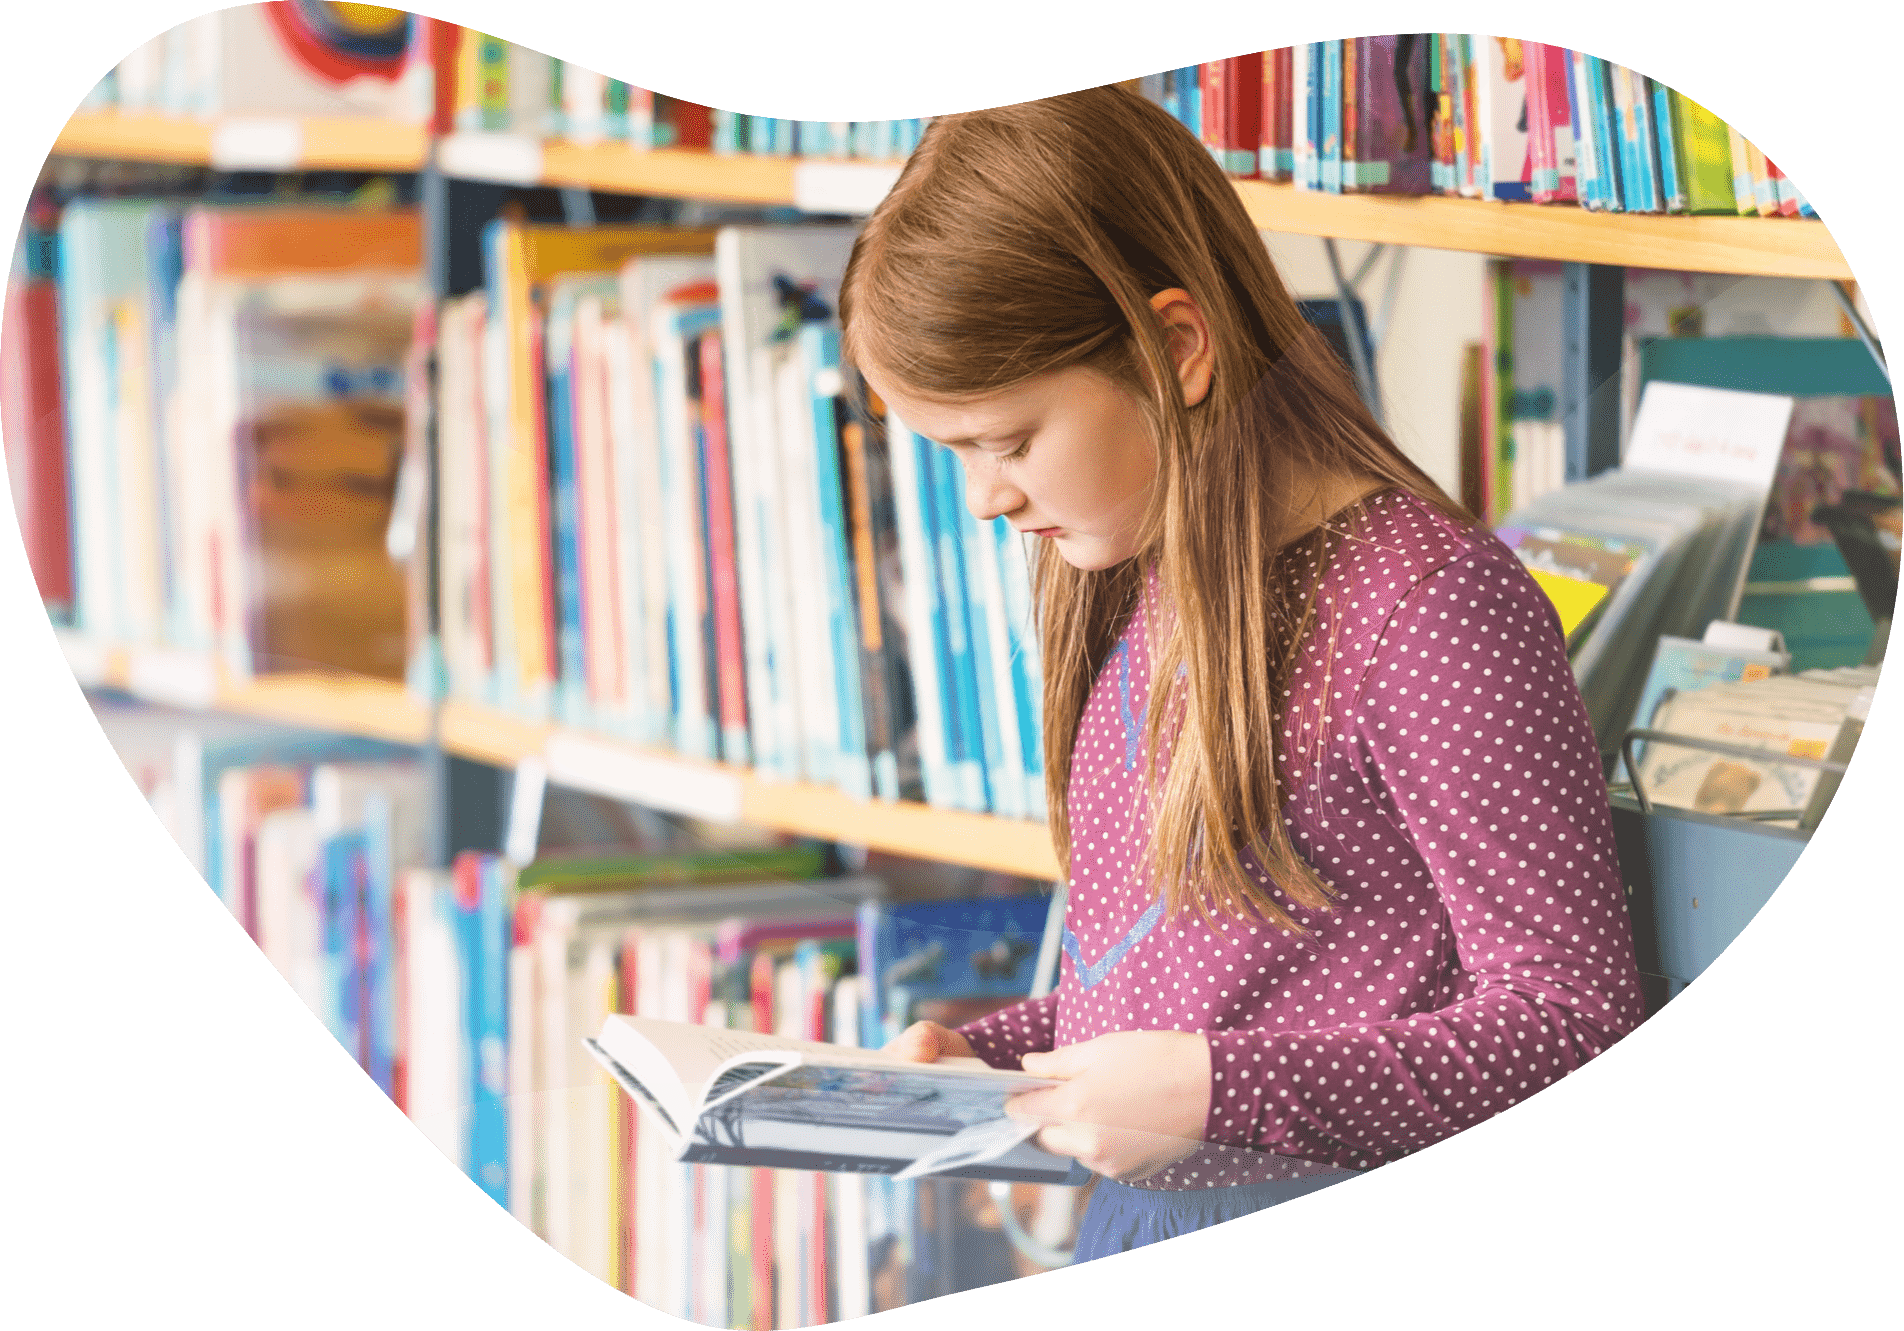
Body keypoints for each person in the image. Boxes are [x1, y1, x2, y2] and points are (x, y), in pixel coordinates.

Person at [839, 84, 1645, 1262]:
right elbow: (1209, 988)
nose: (985, 497)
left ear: (1175, 348)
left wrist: (1219, 1096)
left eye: (1006, 443)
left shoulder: (1425, 607)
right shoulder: (1136, 580)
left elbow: (1570, 1026)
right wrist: (993, 1055)